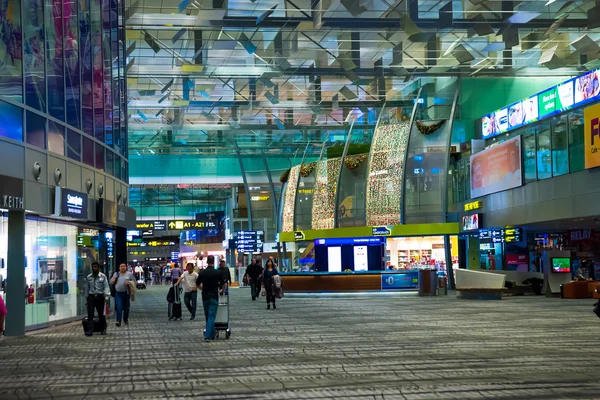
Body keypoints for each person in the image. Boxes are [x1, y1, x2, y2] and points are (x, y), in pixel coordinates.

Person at [196, 255, 225, 342]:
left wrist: (202, 288)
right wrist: (222, 291)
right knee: (211, 316)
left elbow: (197, 283)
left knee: (208, 316)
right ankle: (207, 335)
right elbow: (224, 284)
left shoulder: (202, 273)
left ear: (207, 262)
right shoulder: (218, 272)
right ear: (213, 262)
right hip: (214, 296)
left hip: (205, 297)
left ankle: (212, 334)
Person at [84, 262, 110, 336]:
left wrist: (106, 296)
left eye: (95, 267)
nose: (94, 268)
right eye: (93, 267)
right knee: (90, 314)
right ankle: (90, 330)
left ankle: (103, 328)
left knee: (101, 314)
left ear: (98, 268)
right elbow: (87, 288)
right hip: (91, 296)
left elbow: (106, 286)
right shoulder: (89, 277)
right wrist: (87, 298)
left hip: (100, 296)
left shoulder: (103, 276)